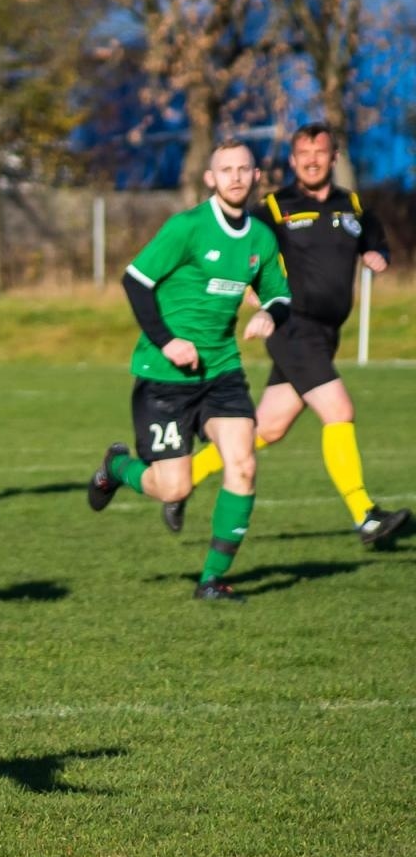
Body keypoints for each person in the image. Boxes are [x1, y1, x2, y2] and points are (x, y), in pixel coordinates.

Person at [166, 123, 408, 548]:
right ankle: (365, 515)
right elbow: (238, 246)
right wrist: (242, 292)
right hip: (293, 327)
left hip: (326, 334)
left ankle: (183, 477)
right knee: (339, 410)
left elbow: (375, 240)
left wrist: (377, 254)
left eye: (320, 153)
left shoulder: (352, 206)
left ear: (334, 157)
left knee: (268, 429)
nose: (312, 160)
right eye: (303, 154)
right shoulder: (274, 209)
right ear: (292, 160)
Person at [86, 140, 291, 603]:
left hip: (222, 372)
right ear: (210, 178)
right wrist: (168, 341)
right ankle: (116, 467)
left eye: (244, 169)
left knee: (243, 464)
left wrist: (270, 316)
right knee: (172, 486)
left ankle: (212, 581)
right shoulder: (187, 228)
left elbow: (279, 294)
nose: (236, 177)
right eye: (226, 170)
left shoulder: (261, 237)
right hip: (164, 378)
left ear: (257, 175)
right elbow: (135, 281)